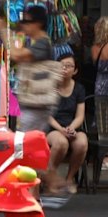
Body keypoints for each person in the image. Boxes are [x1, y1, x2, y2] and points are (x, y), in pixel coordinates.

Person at [0, 5, 54, 132]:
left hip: (37, 105)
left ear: (39, 23)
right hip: (31, 103)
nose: (24, 25)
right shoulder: (34, 42)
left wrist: (4, 31)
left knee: (24, 144)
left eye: (28, 21)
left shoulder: (42, 43)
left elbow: (16, 55)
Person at [46, 53, 88, 194]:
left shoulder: (79, 89)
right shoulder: (51, 87)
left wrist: (71, 128)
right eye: (62, 65)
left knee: (82, 143)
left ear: (75, 70)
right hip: (53, 128)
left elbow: (80, 115)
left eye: (69, 66)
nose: (65, 68)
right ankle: (50, 178)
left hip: (72, 127)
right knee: (61, 143)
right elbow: (47, 115)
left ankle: (69, 179)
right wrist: (61, 129)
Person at [91, 16, 108, 170]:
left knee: (102, 121)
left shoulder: (95, 48)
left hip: (99, 85)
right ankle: (106, 157)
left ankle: (101, 157)